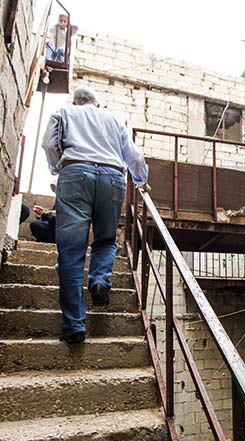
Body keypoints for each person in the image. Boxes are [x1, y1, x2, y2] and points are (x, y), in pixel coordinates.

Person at [42, 86, 150, 344]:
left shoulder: (64, 112)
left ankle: (74, 326)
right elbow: (134, 156)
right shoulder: (113, 120)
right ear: (97, 103)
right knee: (105, 239)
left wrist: (59, 167)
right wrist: (140, 179)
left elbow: (49, 143)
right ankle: (100, 280)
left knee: (71, 250)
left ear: (76, 102)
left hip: (75, 172)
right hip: (113, 177)